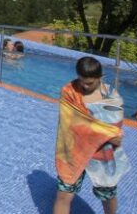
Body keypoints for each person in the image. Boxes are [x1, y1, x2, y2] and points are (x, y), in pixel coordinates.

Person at [54, 56, 129, 214]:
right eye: (81, 81)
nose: (84, 86)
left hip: (101, 152)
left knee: (107, 196)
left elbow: (115, 131)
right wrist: (106, 134)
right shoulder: (69, 92)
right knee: (64, 195)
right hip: (73, 151)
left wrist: (109, 135)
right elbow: (69, 123)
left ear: (100, 77)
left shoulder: (111, 97)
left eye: (90, 83)